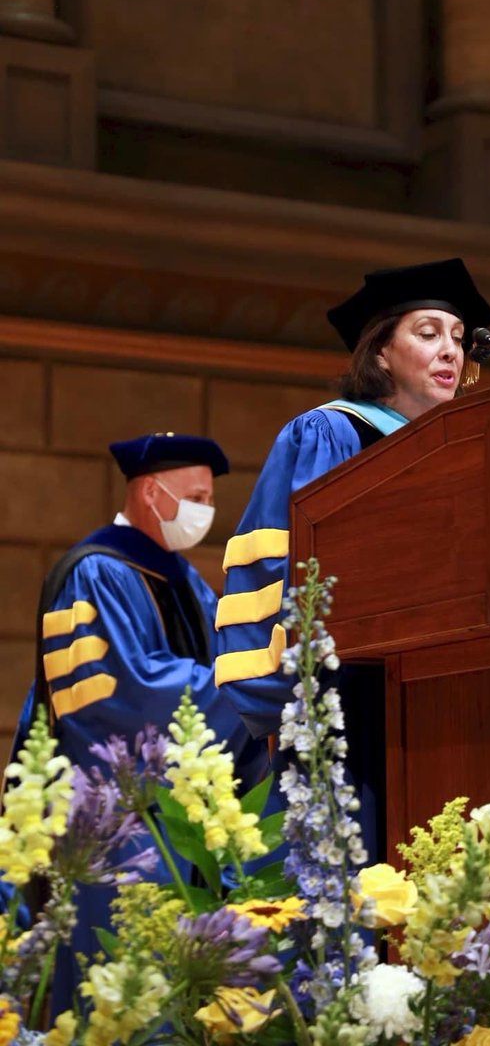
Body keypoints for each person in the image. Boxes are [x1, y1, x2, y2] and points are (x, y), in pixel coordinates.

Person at [213, 257, 490, 857]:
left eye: (457, 338)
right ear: (382, 354)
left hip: (446, 710)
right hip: (353, 708)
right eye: (427, 333)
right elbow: (290, 572)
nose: (450, 350)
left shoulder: (464, 456)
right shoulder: (333, 434)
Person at [13, 432, 268, 1015]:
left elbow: (223, 661)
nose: (206, 510)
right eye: (196, 495)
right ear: (152, 492)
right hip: (120, 824)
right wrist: (254, 685)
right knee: (122, 991)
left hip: (183, 815)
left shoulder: (186, 583)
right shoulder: (96, 572)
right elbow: (125, 694)